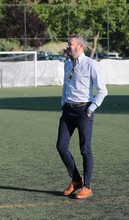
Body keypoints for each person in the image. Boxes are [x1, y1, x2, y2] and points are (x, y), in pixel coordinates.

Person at [56, 34, 108, 199]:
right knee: (61, 146)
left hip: (84, 111)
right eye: (67, 43)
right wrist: (63, 103)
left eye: (70, 44)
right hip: (68, 111)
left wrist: (91, 108)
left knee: (85, 150)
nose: (67, 46)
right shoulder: (67, 63)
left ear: (80, 46)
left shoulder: (91, 65)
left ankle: (87, 187)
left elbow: (102, 90)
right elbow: (66, 85)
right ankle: (76, 180)